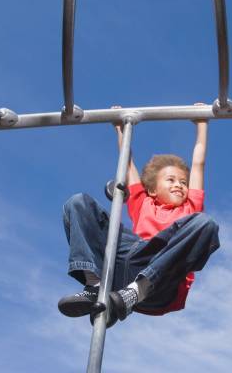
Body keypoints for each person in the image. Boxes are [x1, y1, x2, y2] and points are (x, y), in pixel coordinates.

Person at [57, 104, 220, 327]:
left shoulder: (191, 207)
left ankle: (137, 291)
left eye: (183, 182)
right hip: (133, 259)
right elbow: (128, 162)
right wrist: (119, 127)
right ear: (152, 189)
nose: (179, 185)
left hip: (161, 279)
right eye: (171, 180)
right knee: (78, 203)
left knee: (206, 224)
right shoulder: (142, 201)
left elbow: (198, 163)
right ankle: (94, 285)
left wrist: (202, 124)